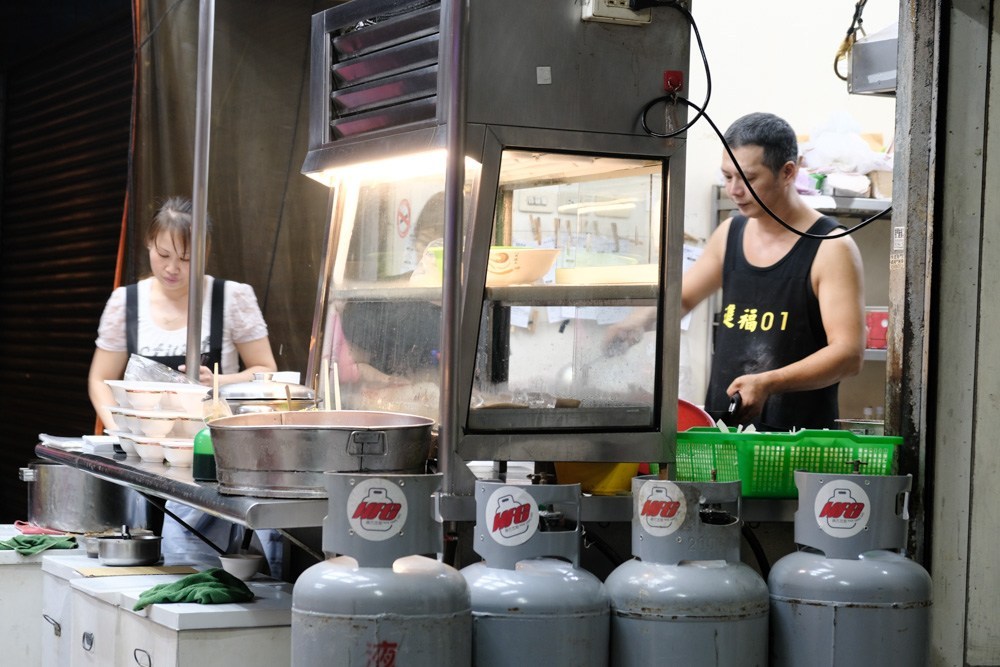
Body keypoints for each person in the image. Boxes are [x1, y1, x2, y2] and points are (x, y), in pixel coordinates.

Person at [608, 112, 865, 430]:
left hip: (797, 445)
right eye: (727, 177)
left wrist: (768, 382)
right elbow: (683, 299)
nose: (734, 190)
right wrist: (630, 327)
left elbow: (848, 354)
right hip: (724, 437)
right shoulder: (730, 233)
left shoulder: (831, 247)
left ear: (787, 172)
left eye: (748, 178)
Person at [88, 196, 281, 569]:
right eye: (163, 255)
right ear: (148, 244)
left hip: (209, 462)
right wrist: (123, 432)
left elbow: (266, 371)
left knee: (197, 567)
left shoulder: (232, 298)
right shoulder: (126, 302)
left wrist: (221, 381)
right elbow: (100, 378)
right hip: (143, 463)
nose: (173, 268)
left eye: (186, 259)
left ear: (205, 253)